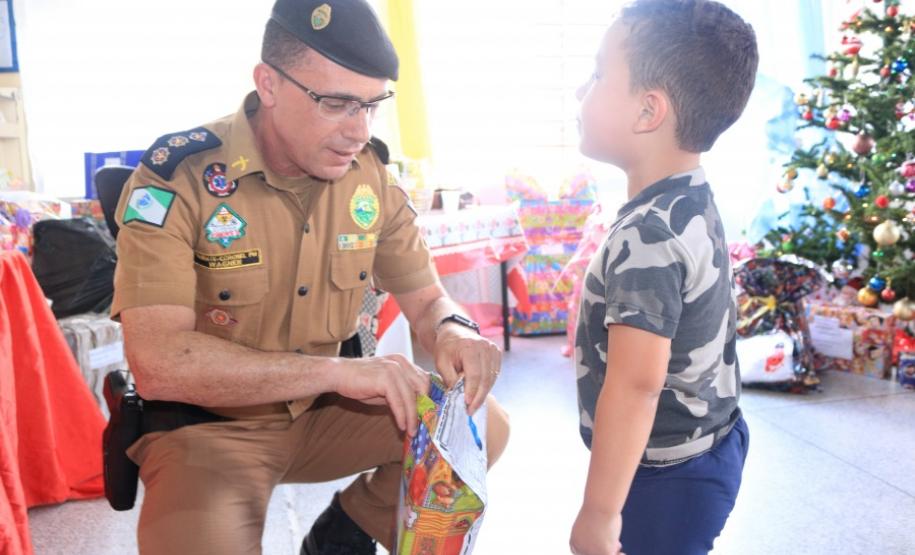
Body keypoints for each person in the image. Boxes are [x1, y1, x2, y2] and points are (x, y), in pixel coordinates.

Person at [110, 1, 510, 553]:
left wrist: (455, 329)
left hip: (328, 416)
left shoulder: (368, 176)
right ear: (268, 84)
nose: (358, 130)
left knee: (483, 428)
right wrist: (335, 373)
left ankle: (347, 529)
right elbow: (157, 363)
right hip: (208, 428)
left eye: (372, 105)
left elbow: (427, 297)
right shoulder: (180, 178)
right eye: (337, 103)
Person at [568, 1, 758, 554]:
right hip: (712, 446)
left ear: (648, 110)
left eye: (600, 73)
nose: (583, 89)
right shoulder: (691, 197)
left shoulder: (647, 235)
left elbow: (637, 383)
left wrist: (599, 513)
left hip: (666, 476)